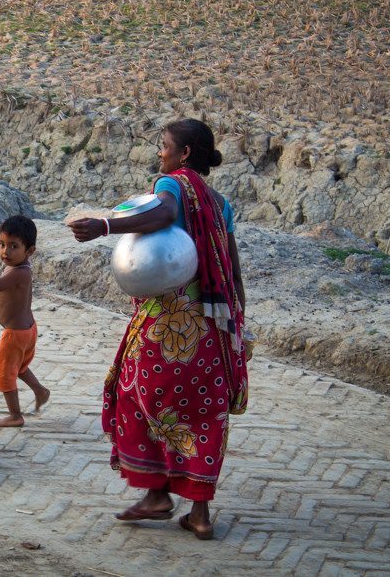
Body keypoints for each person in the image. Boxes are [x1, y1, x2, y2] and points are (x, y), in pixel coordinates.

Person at [68, 118, 247, 540]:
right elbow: (232, 269)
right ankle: (199, 513)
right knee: (204, 413)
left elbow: (163, 213)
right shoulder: (219, 204)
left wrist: (105, 226)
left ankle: (156, 494)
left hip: (169, 323)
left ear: (184, 154)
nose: (160, 154)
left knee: (132, 392)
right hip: (210, 327)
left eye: (165, 146)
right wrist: (237, 323)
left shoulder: (173, 185)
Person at [0, 215, 50, 427]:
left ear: (30, 251)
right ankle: (40, 390)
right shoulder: (18, 268)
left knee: (5, 375)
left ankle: (15, 416)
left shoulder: (18, 273)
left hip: (15, 335)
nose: (5, 252)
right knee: (20, 367)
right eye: (2, 244)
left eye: (13, 246)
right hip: (27, 330)